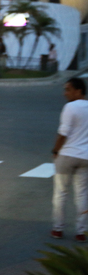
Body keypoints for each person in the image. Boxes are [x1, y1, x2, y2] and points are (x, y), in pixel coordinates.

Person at [51, 78, 88, 242]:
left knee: (60, 194)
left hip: (67, 155)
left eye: (68, 89)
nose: (65, 93)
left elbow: (63, 133)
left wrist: (55, 150)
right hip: (85, 157)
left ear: (78, 91)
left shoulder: (70, 107)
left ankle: (58, 229)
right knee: (82, 195)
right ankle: (81, 232)